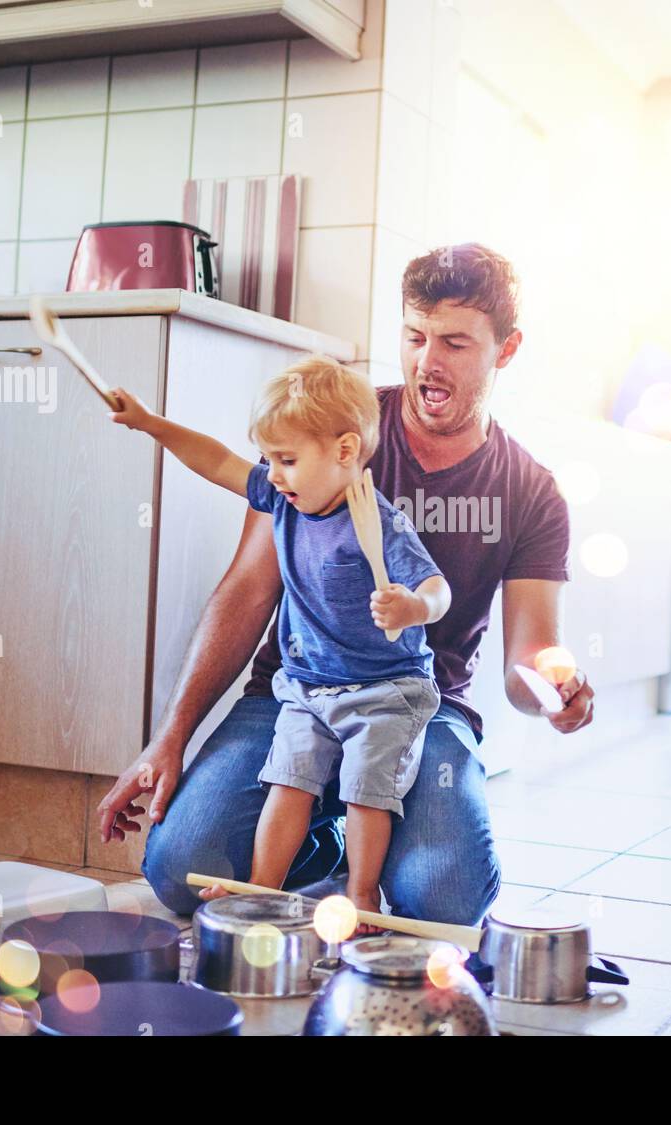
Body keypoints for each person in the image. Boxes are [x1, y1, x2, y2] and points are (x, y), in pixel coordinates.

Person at [97, 242, 596, 926]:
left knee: (442, 901)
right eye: (415, 336)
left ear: (505, 351)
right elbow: (246, 590)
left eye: (454, 342)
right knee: (184, 867)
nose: (428, 360)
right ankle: (331, 838)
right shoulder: (328, 428)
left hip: (420, 705)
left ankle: (379, 836)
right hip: (298, 690)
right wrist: (171, 735)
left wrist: (553, 691)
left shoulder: (532, 491)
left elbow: (527, 658)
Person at [107, 356, 449, 931]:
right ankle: (261, 889)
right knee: (287, 780)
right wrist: (150, 424)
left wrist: (412, 606)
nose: (274, 474)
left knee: (368, 788)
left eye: (287, 460)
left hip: (387, 690)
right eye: (270, 459)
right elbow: (216, 460)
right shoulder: (281, 497)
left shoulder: (379, 522)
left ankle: (362, 896)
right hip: (307, 686)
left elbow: (436, 588)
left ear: (344, 452)